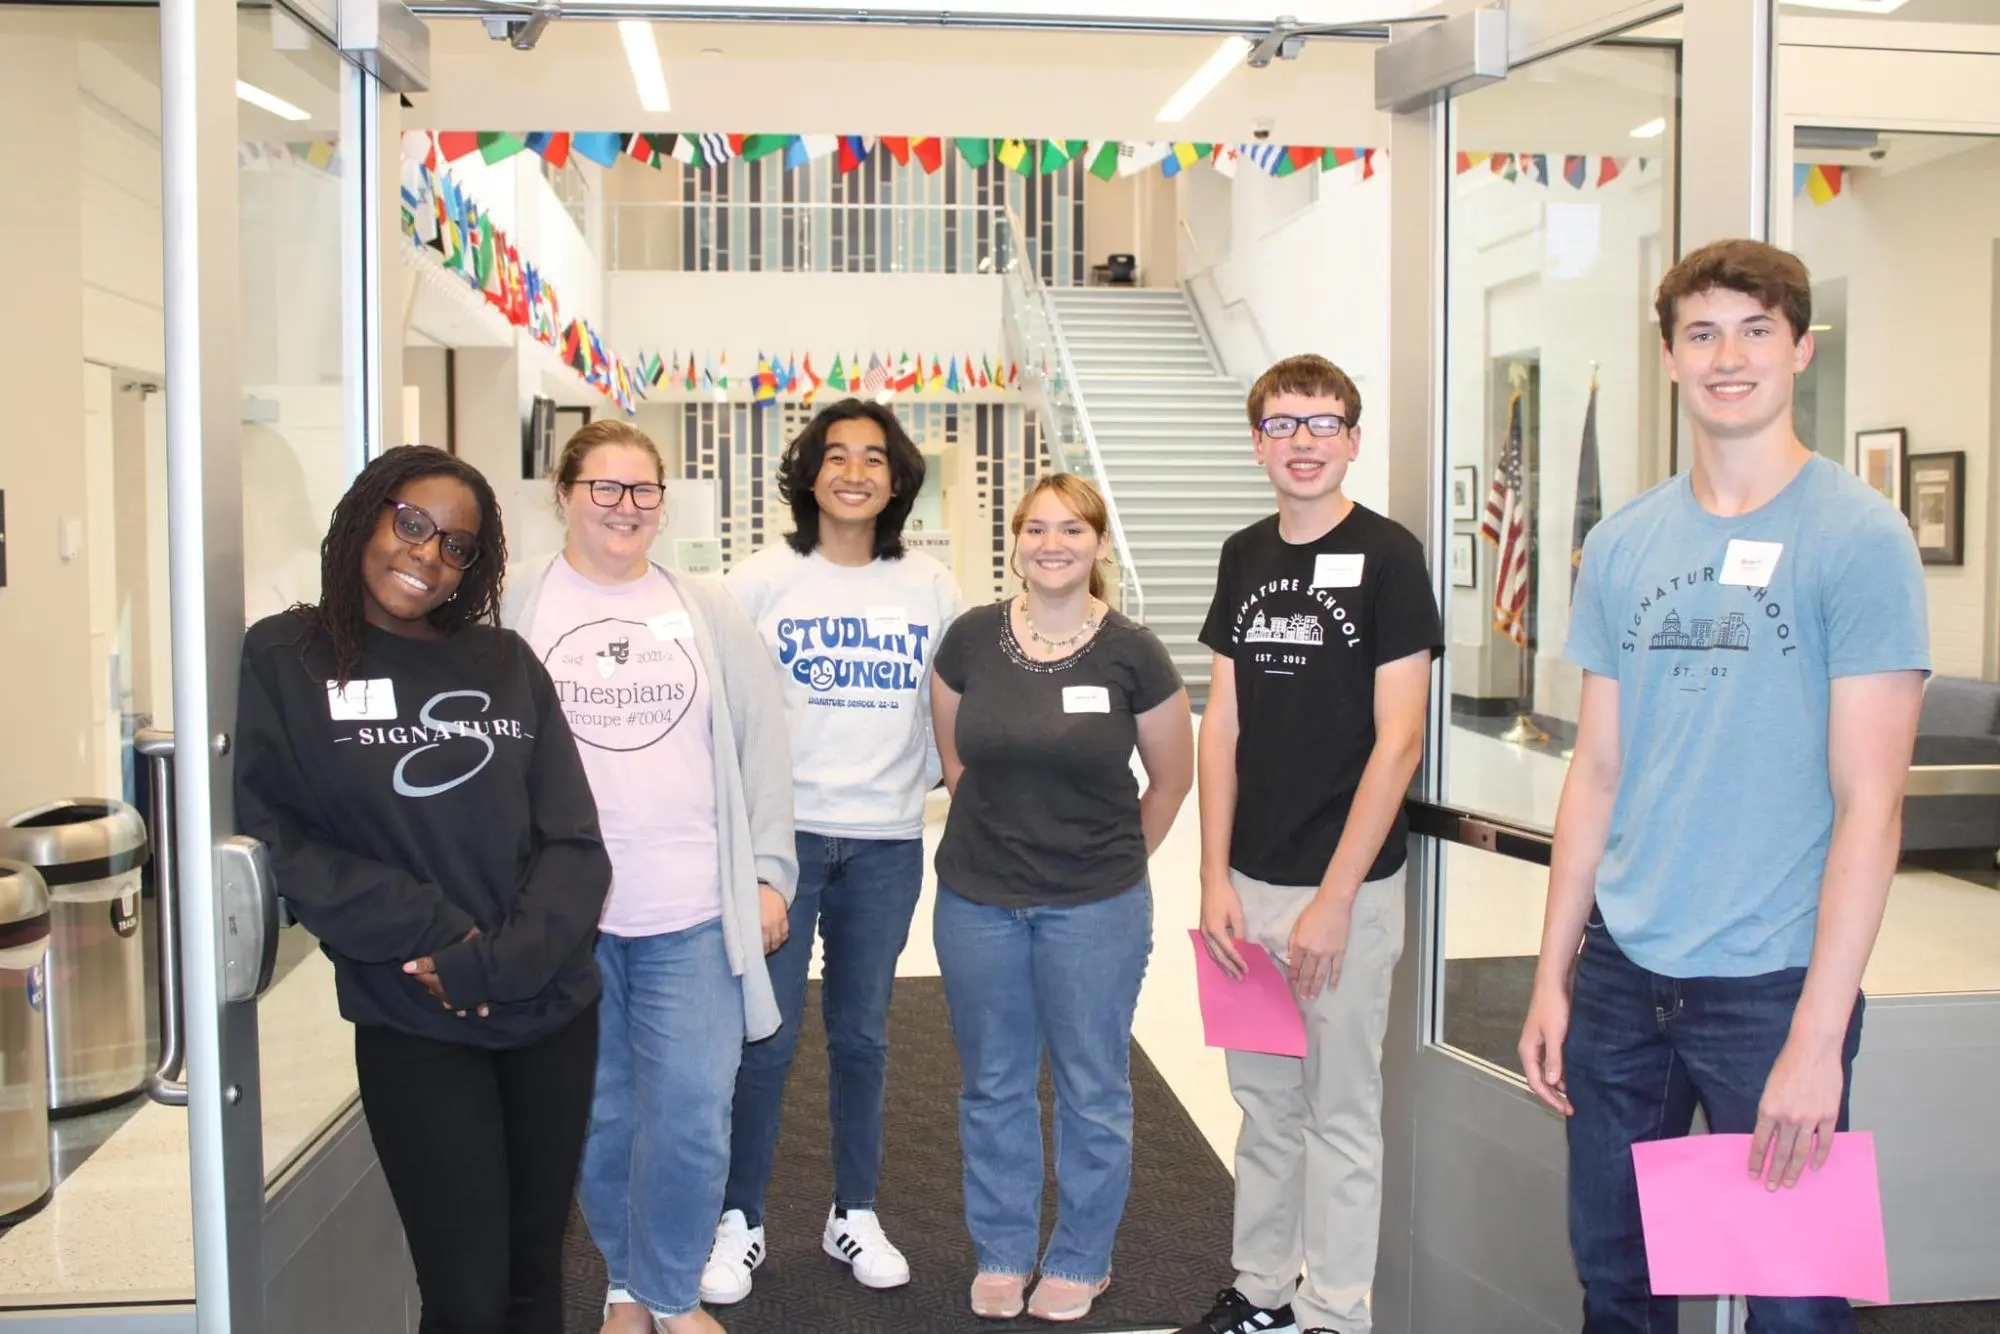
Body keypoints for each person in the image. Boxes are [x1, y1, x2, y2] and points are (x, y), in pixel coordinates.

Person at [1517, 239, 1928, 1333]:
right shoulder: (1621, 543)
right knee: (1617, 1283)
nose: (1726, 355)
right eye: (1701, 332)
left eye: (1753, 329)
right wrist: (1553, 969)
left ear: (1798, 345)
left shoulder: (1856, 536)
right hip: (1621, 975)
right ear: (1666, 357)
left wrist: (1814, 1032)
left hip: (1771, 984)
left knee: (1793, 1304)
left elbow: (1869, 805)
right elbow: (1595, 771)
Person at [234, 445, 611, 1334]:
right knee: (465, 1296)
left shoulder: (506, 661)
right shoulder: (288, 657)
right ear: (366, 513)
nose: (427, 554)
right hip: (414, 1015)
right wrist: (441, 936)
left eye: (457, 546)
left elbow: (575, 842)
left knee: (531, 1280)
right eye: (412, 524)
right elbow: (284, 834)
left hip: (547, 1007)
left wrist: (506, 960)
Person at [502, 421, 797, 1334]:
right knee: (598, 1115)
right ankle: (629, 1287)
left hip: (693, 908)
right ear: (563, 494)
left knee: (694, 1116)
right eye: (605, 488)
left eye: (644, 491)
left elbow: (763, 747)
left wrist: (771, 874)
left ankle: (674, 1297)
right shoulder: (514, 609)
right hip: (566, 920)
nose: (627, 508)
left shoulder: (704, 607)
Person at [1181, 355, 1441, 1334]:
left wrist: (1334, 896)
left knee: (1338, 1110)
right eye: (1282, 424)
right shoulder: (1244, 552)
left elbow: (1400, 736)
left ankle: (1334, 1312)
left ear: (1353, 438)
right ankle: (1259, 1293)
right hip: (1247, 885)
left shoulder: (1387, 556)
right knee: (1263, 1103)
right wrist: (1211, 875)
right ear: (1255, 442)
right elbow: (1222, 723)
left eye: (1322, 423)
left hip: (1348, 889)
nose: (1302, 441)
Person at [708, 398, 963, 1301]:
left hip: (888, 844)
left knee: (862, 1036)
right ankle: (739, 1218)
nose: (855, 472)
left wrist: (929, 786)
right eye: (836, 455)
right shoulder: (758, 580)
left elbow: (950, 708)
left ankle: (853, 1211)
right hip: (783, 847)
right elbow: (724, 711)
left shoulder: (929, 586)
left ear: (898, 481)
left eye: (875, 459)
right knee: (763, 1041)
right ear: (809, 472)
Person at [931, 473, 1194, 1324]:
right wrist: (1012, 847)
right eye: (1037, 528)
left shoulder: (1132, 651)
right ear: (1015, 540)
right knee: (993, 1085)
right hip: (977, 901)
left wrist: (1107, 865)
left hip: (1094, 908)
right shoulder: (969, 640)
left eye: (1072, 529)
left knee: (1092, 1087)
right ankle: (1003, 1251)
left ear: (1099, 544)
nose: (1054, 543)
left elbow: (1171, 778)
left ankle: (1082, 1255)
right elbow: (958, 763)